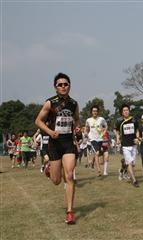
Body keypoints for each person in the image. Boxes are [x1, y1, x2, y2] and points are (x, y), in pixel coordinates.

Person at [35, 72, 80, 224]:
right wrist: (49, 132)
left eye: (65, 84)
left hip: (68, 143)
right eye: (60, 85)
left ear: (69, 86)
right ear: (55, 88)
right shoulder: (50, 103)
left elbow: (77, 119)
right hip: (54, 144)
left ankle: (70, 212)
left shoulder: (74, 104)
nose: (63, 87)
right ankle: (49, 168)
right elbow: (38, 121)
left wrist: (76, 130)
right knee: (56, 180)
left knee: (69, 175)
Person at [115, 104, 140, 187]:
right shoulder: (119, 121)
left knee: (133, 164)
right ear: (122, 112)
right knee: (129, 163)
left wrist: (137, 138)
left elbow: (137, 130)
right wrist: (118, 139)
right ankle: (134, 180)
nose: (126, 111)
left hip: (133, 145)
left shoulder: (134, 120)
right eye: (124, 110)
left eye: (127, 110)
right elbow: (117, 131)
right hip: (125, 145)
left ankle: (122, 169)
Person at [85, 106, 108, 176]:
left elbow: (106, 126)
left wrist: (104, 132)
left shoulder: (101, 119)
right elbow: (86, 128)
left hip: (100, 139)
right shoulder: (88, 120)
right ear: (91, 112)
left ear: (97, 112)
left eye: (96, 111)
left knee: (98, 156)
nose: (95, 112)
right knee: (97, 153)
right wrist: (87, 135)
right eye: (93, 111)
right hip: (92, 139)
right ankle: (98, 170)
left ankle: (92, 163)